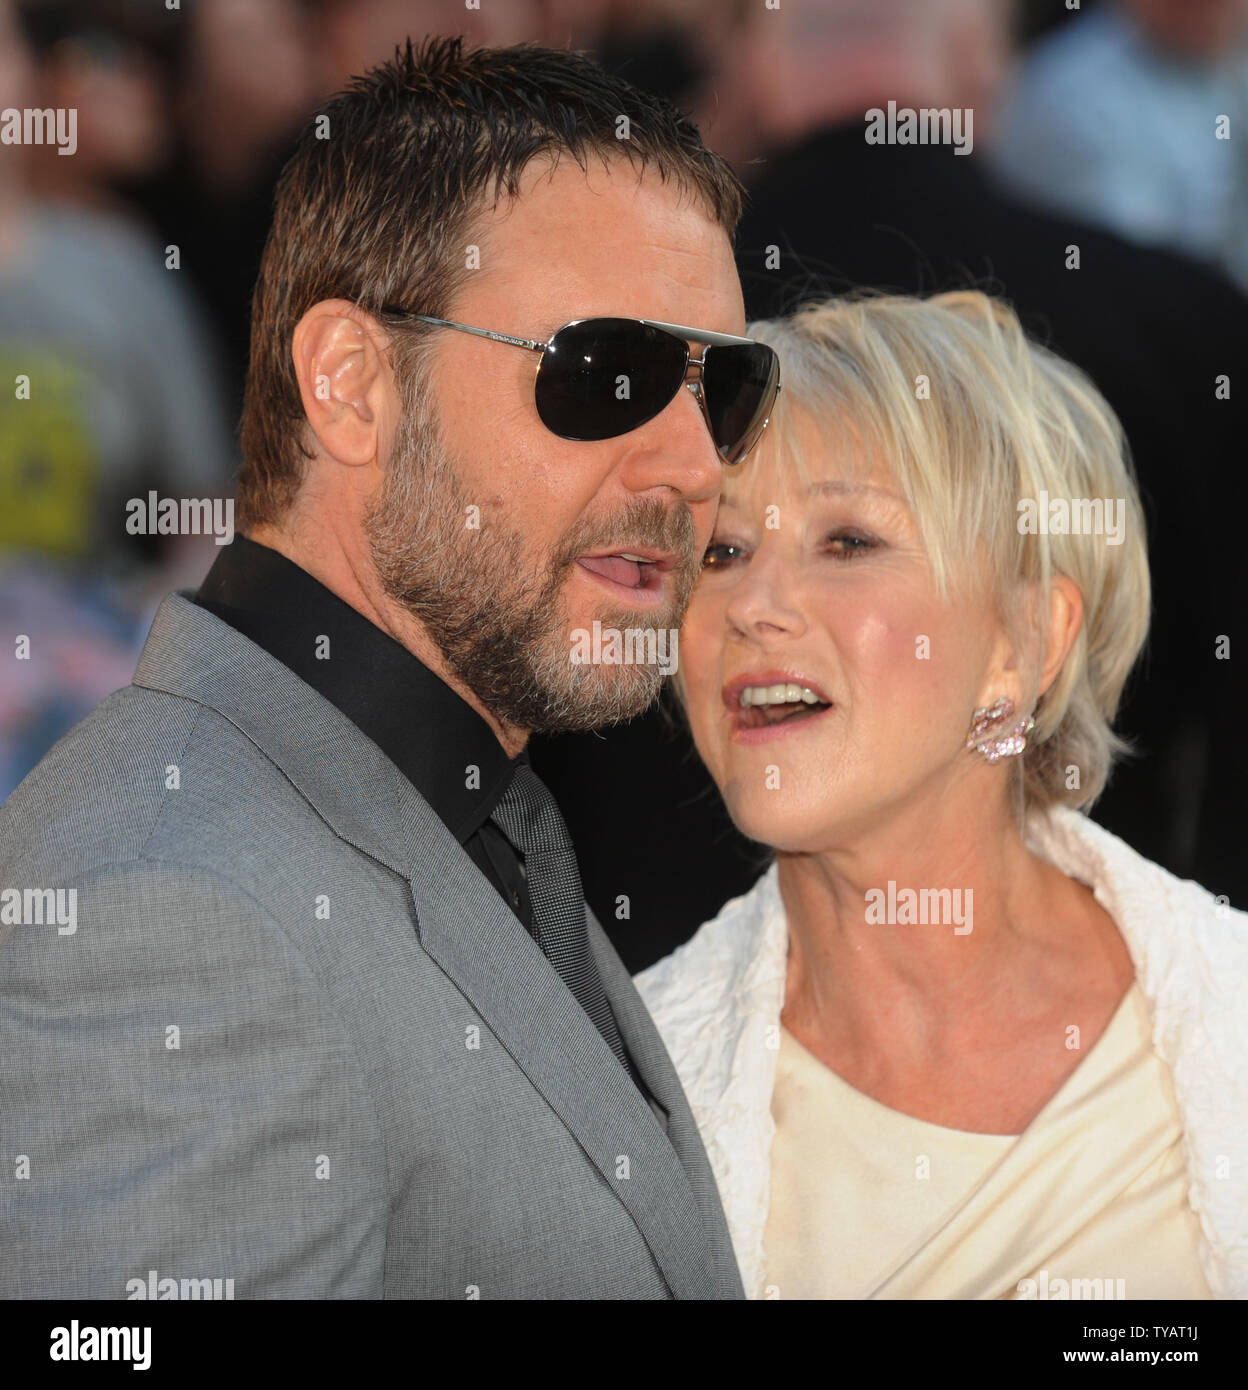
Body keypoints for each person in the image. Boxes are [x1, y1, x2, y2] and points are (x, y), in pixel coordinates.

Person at [0, 36, 780, 1299]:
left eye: (725, 389)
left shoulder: (465, 801)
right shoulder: (162, 919)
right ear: (352, 385)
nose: (697, 465)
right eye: (609, 373)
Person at [636, 291, 1247, 1300]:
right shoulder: (628, 1097)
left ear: (1023, 645)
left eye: (847, 542)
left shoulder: (1224, 1017)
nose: (751, 607)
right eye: (722, 551)